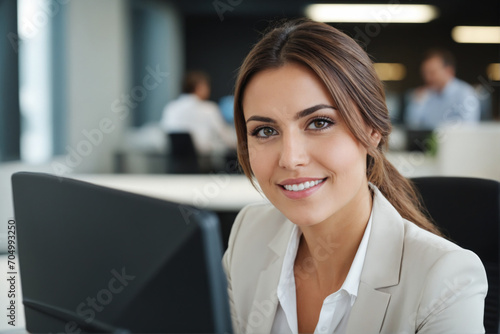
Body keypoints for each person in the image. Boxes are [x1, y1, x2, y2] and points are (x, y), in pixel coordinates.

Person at [222, 19, 487, 333]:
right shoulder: (249, 234)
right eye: (265, 131)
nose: (291, 159)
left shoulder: (445, 279)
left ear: (372, 129)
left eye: (319, 123)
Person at [160, 71, 236, 156]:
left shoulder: (170, 107)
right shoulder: (209, 109)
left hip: (174, 163)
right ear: (200, 87)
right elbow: (226, 137)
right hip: (202, 161)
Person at [405, 48, 480, 129]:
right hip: (429, 140)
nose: (427, 78)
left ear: (449, 71)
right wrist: (418, 102)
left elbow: (468, 129)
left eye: (432, 72)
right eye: (424, 73)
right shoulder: (426, 94)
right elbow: (412, 125)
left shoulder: (465, 93)